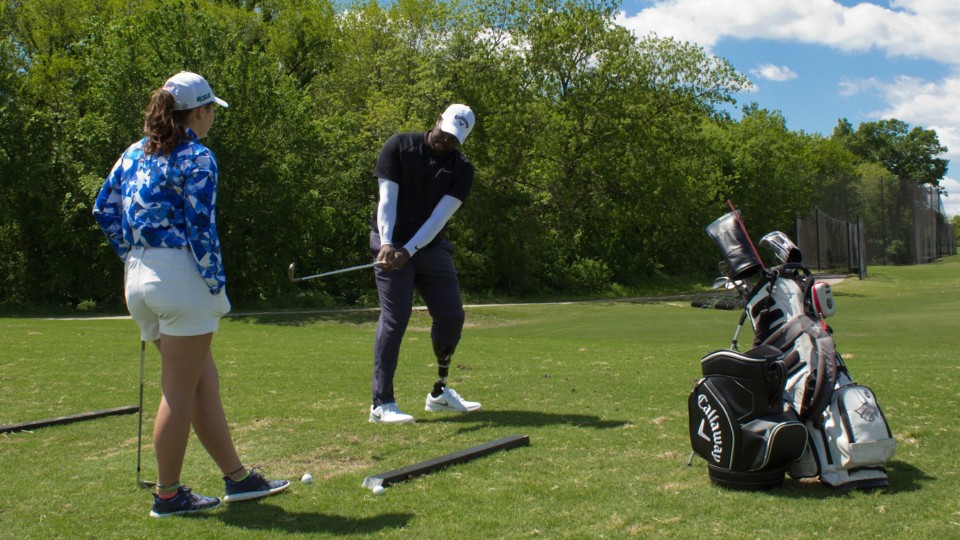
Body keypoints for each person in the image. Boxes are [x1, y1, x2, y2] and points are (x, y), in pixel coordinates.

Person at [93, 71, 289, 517]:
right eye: (211, 111)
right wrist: (215, 283)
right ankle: (167, 495)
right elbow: (202, 229)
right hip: (180, 276)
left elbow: (103, 209)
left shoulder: (132, 154)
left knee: (203, 383)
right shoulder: (198, 158)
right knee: (179, 390)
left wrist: (132, 252)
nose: (212, 118)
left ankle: (238, 478)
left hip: (138, 276)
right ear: (198, 111)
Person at [368, 104, 482, 424]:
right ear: (437, 122)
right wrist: (390, 244)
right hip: (390, 244)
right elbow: (387, 201)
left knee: (451, 316)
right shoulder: (399, 147)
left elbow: (439, 218)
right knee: (396, 317)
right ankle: (382, 403)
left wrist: (412, 249)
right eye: (444, 135)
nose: (445, 143)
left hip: (430, 248)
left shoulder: (462, 170)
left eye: (454, 141)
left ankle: (440, 393)